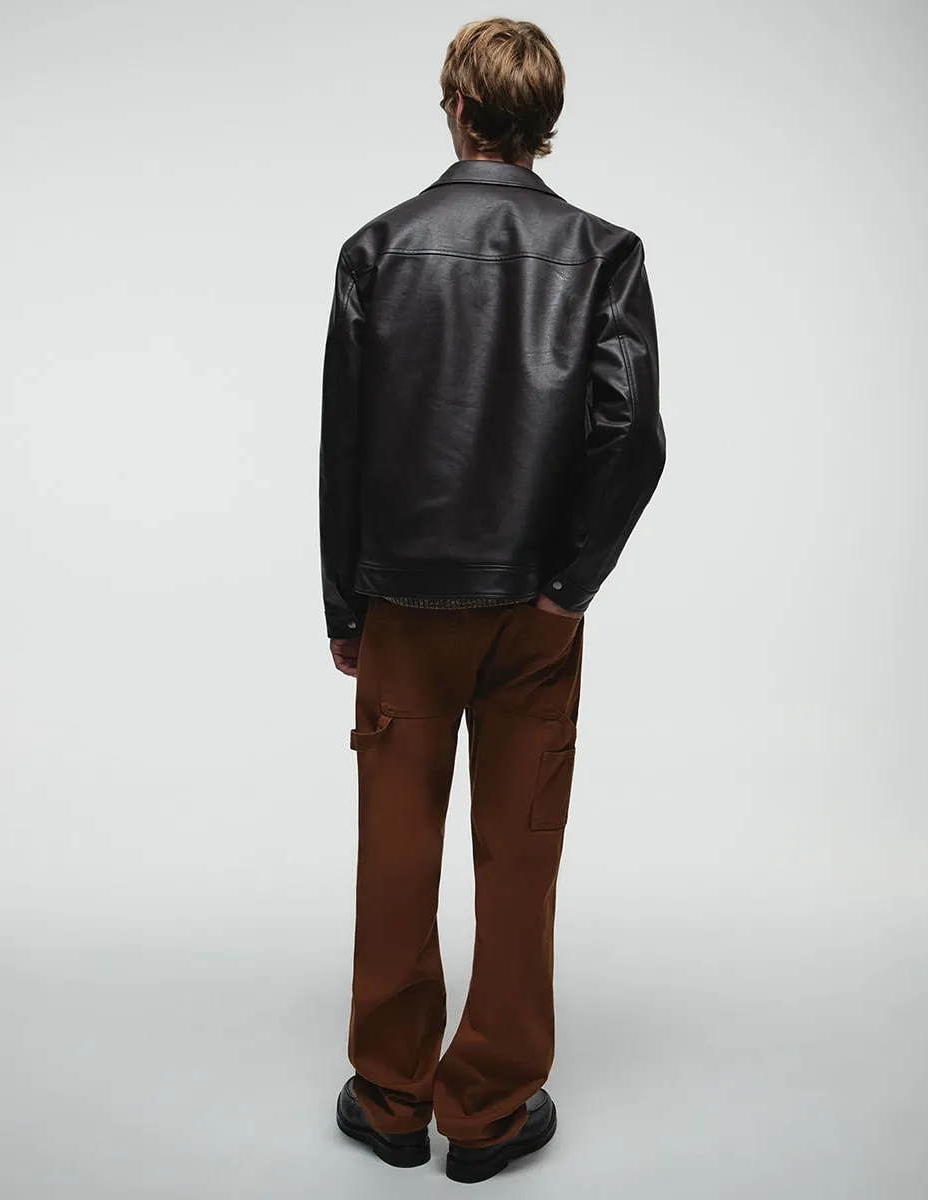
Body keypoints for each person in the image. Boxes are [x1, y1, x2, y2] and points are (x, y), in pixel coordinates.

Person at [320, 16, 666, 1185]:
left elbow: (344, 444)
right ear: (541, 120)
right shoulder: (604, 253)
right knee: (520, 857)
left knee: (394, 847)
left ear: (457, 107)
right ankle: (489, 1109)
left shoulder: (377, 247)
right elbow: (631, 435)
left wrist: (343, 609)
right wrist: (570, 585)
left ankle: (390, 1097)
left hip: (404, 605)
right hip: (532, 613)